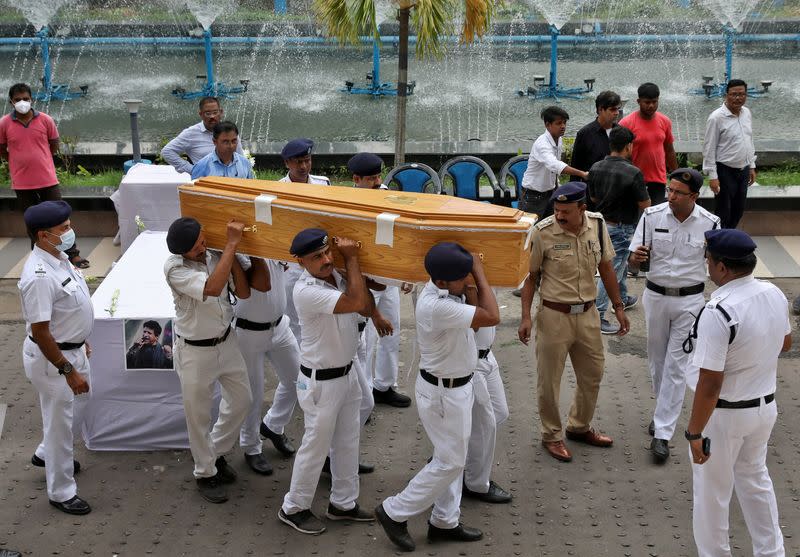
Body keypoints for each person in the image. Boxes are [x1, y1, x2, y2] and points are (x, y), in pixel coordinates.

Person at [376, 242, 500, 552]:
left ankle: (445, 521)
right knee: (451, 461)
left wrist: (469, 279)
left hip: (457, 387)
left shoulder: (448, 293)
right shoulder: (435, 305)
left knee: (450, 458)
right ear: (442, 281)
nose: (468, 279)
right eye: (463, 277)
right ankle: (394, 511)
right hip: (444, 393)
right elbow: (492, 315)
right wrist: (480, 272)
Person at [686, 228, 791, 557]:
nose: (706, 264)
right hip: (764, 408)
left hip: (726, 416)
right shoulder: (773, 293)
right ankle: (771, 552)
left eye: (708, 259)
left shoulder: (719, 310)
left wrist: (694, 432)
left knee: (712, 494)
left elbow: (710, 383)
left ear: (721, 267)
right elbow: (785, 342)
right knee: (756, 481)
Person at [518, 182, 630, 463]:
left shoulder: (598, 225)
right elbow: (530, 277)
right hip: (554, 316)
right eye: (557, 210)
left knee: (593, 373)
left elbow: (606, 266)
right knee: (549, 380)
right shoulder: (542, 232)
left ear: (583, 208)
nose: (560, 216)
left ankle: (579, 426)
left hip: (589, 314)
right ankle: (551, 435)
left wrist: (618, 307)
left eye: (566, 211)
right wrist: (526, 317)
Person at [279, 229, 375, 535]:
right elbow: (357, 300)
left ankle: (343, 504)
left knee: (347, 442)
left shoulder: (337, 276)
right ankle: (293, 507)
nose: (325, 260)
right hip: (321, 382)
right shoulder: (306, 290)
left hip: (346, 374)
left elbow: (368, 304)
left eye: (326, 253)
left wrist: (353, 267)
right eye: (316, 257)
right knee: (315, 447)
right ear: (299, 262)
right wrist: (352, 259)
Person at [628, 168, 720, 464]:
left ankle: (663, 433)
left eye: (678, 192)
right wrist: (636, 259)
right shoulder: (652, 216)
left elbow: (718, 266)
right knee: (657, 360)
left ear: (693, 196)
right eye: (669, 190)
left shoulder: (710, 223)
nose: (670, 196)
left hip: (690, 301)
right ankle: (662, 411)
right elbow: (632, 260)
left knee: (677, 365)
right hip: (655, 297)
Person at [164, 217, 255, 503]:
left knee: (243, 401)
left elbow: (243, 292)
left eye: (203, 242)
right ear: (182, 253)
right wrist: (230, 245)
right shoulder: (175, 268)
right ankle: (205, 473)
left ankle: (214, 453)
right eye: (195, 248)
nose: (202, 249)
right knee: (199, 416)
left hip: (226, 341)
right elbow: (213, 289)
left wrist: (230, 254)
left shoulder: (216, 254)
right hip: (194, 352)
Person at [18, 200, 93, 515]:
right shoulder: (38, 276)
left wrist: (81, 339)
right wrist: (67, 369)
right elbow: (43, 331)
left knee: (82, 405)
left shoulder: (58, 257)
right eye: (63, 229)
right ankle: (61, 491)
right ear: (42, 235)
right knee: (60, 424)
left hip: (73, 348)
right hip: (55, 359)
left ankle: (45, 453)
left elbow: (70, 306)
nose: (70, 232)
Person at [348, 152, 412, 408]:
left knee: (391, 331)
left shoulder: (388, 196)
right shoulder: (348, 202)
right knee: (366, 340)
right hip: (364, 277)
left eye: (378, 176)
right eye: (370, 178)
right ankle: (363, 396)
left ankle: (384, 385)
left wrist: (406, 272)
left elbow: (403, 234)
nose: (376, 181)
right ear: (356, 179)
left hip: (389, 274)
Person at [0, 83, 88, 268]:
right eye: (17, 100)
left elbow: (53, 143)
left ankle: (73, 254)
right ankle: (40, 259)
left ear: (32, 99)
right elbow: (2, 149)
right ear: (11, 102)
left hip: (47, 179)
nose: (22, 102)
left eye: (25, 98)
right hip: (22, 183)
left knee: (61, 219)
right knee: (33, 223)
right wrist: (16, 161)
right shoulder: (4, 123)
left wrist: (42, 158)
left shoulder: (45, 120)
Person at [232, 255, 301, 475]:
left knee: (298, 380)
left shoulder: (271, 240)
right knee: (253, 393)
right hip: (248, 332)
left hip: (280, 326)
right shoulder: (241, 250)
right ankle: (251, 446)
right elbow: (262, 283)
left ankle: (273, 424)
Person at [588, 126, 650, 334]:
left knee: (618, 265)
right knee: (612, 271)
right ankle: (599, 314)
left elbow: (594, 198)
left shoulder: (596, 167)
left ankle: (622, 297)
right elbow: (645, 204)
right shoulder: (633, 172)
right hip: (623, 227)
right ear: (629, 146)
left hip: (601, 224)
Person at [279, 138, 331, 346]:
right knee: (293, 318)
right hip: (291, 262)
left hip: (320, 259)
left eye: (307, 160)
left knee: (324, 312)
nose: (303, 167)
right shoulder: (277, 189)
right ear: (287, 163)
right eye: (298, 162)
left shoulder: (323, 183)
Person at [462, 320, 512, 505]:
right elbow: (480, 319)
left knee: (500, 412)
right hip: (470, 361)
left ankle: (456, 460)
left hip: (487, 355)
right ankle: (476, 484)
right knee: (485, 426)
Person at [702, 79, 757, 229]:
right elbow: (709, 148)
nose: (738, 98)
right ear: (726, 95)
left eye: (742, 94)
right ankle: (718, 245)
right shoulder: (716, 118)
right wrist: (713, 176)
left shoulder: (746, 113)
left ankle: (729, 240)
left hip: (743, 170)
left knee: (738, 210)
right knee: (723, 212)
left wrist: (751, 165)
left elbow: (749, 139)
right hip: (724, 171)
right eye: (734, 94)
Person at [519, 106, 589, 218]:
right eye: (559, 123)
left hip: (550, 193)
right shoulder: (542, 144)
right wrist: (582, 174)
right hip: (533, 196)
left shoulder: (558, 139)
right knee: (530, 230)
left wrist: (557, 187)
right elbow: (555, 165)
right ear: (547, 125)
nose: (563, 126)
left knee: (550, 228)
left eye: (565, 123)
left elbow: (554, 169)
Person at [619, 83, 678, 205]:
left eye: (654, 102)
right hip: (633, 179)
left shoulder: (665, 121)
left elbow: (669, 149)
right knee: (634, 219)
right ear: (638, 101)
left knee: (655, 218)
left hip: (658, 180)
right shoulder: (626, 123)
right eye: (647, 102)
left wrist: (677, 173)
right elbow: (619, 154)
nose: (651, 106)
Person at [160, 97, 243, 175]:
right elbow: (167, 151)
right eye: (208, 113)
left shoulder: (229, 131)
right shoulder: (191, 133)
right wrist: (192, 169)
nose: (212, 116)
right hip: (204, 182)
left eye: (215, 112)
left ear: (221, 112)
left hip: (231, 180)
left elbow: (240, 158)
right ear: (201, 114)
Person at [571, 90, 622, 180]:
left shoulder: (621, 132)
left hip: (616, 188)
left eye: (618, 109)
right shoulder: (585, 134)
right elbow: (576, 165)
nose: (617, 112)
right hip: (593, 188)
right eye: (612, 109)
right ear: (600, 110)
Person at [190, 121, 254, 180]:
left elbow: (252, 187)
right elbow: (192, 190)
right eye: (226, 142)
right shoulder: (202, 166)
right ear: (215, 142)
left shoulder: (244, 163)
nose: (231, 146)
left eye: (234, 141)